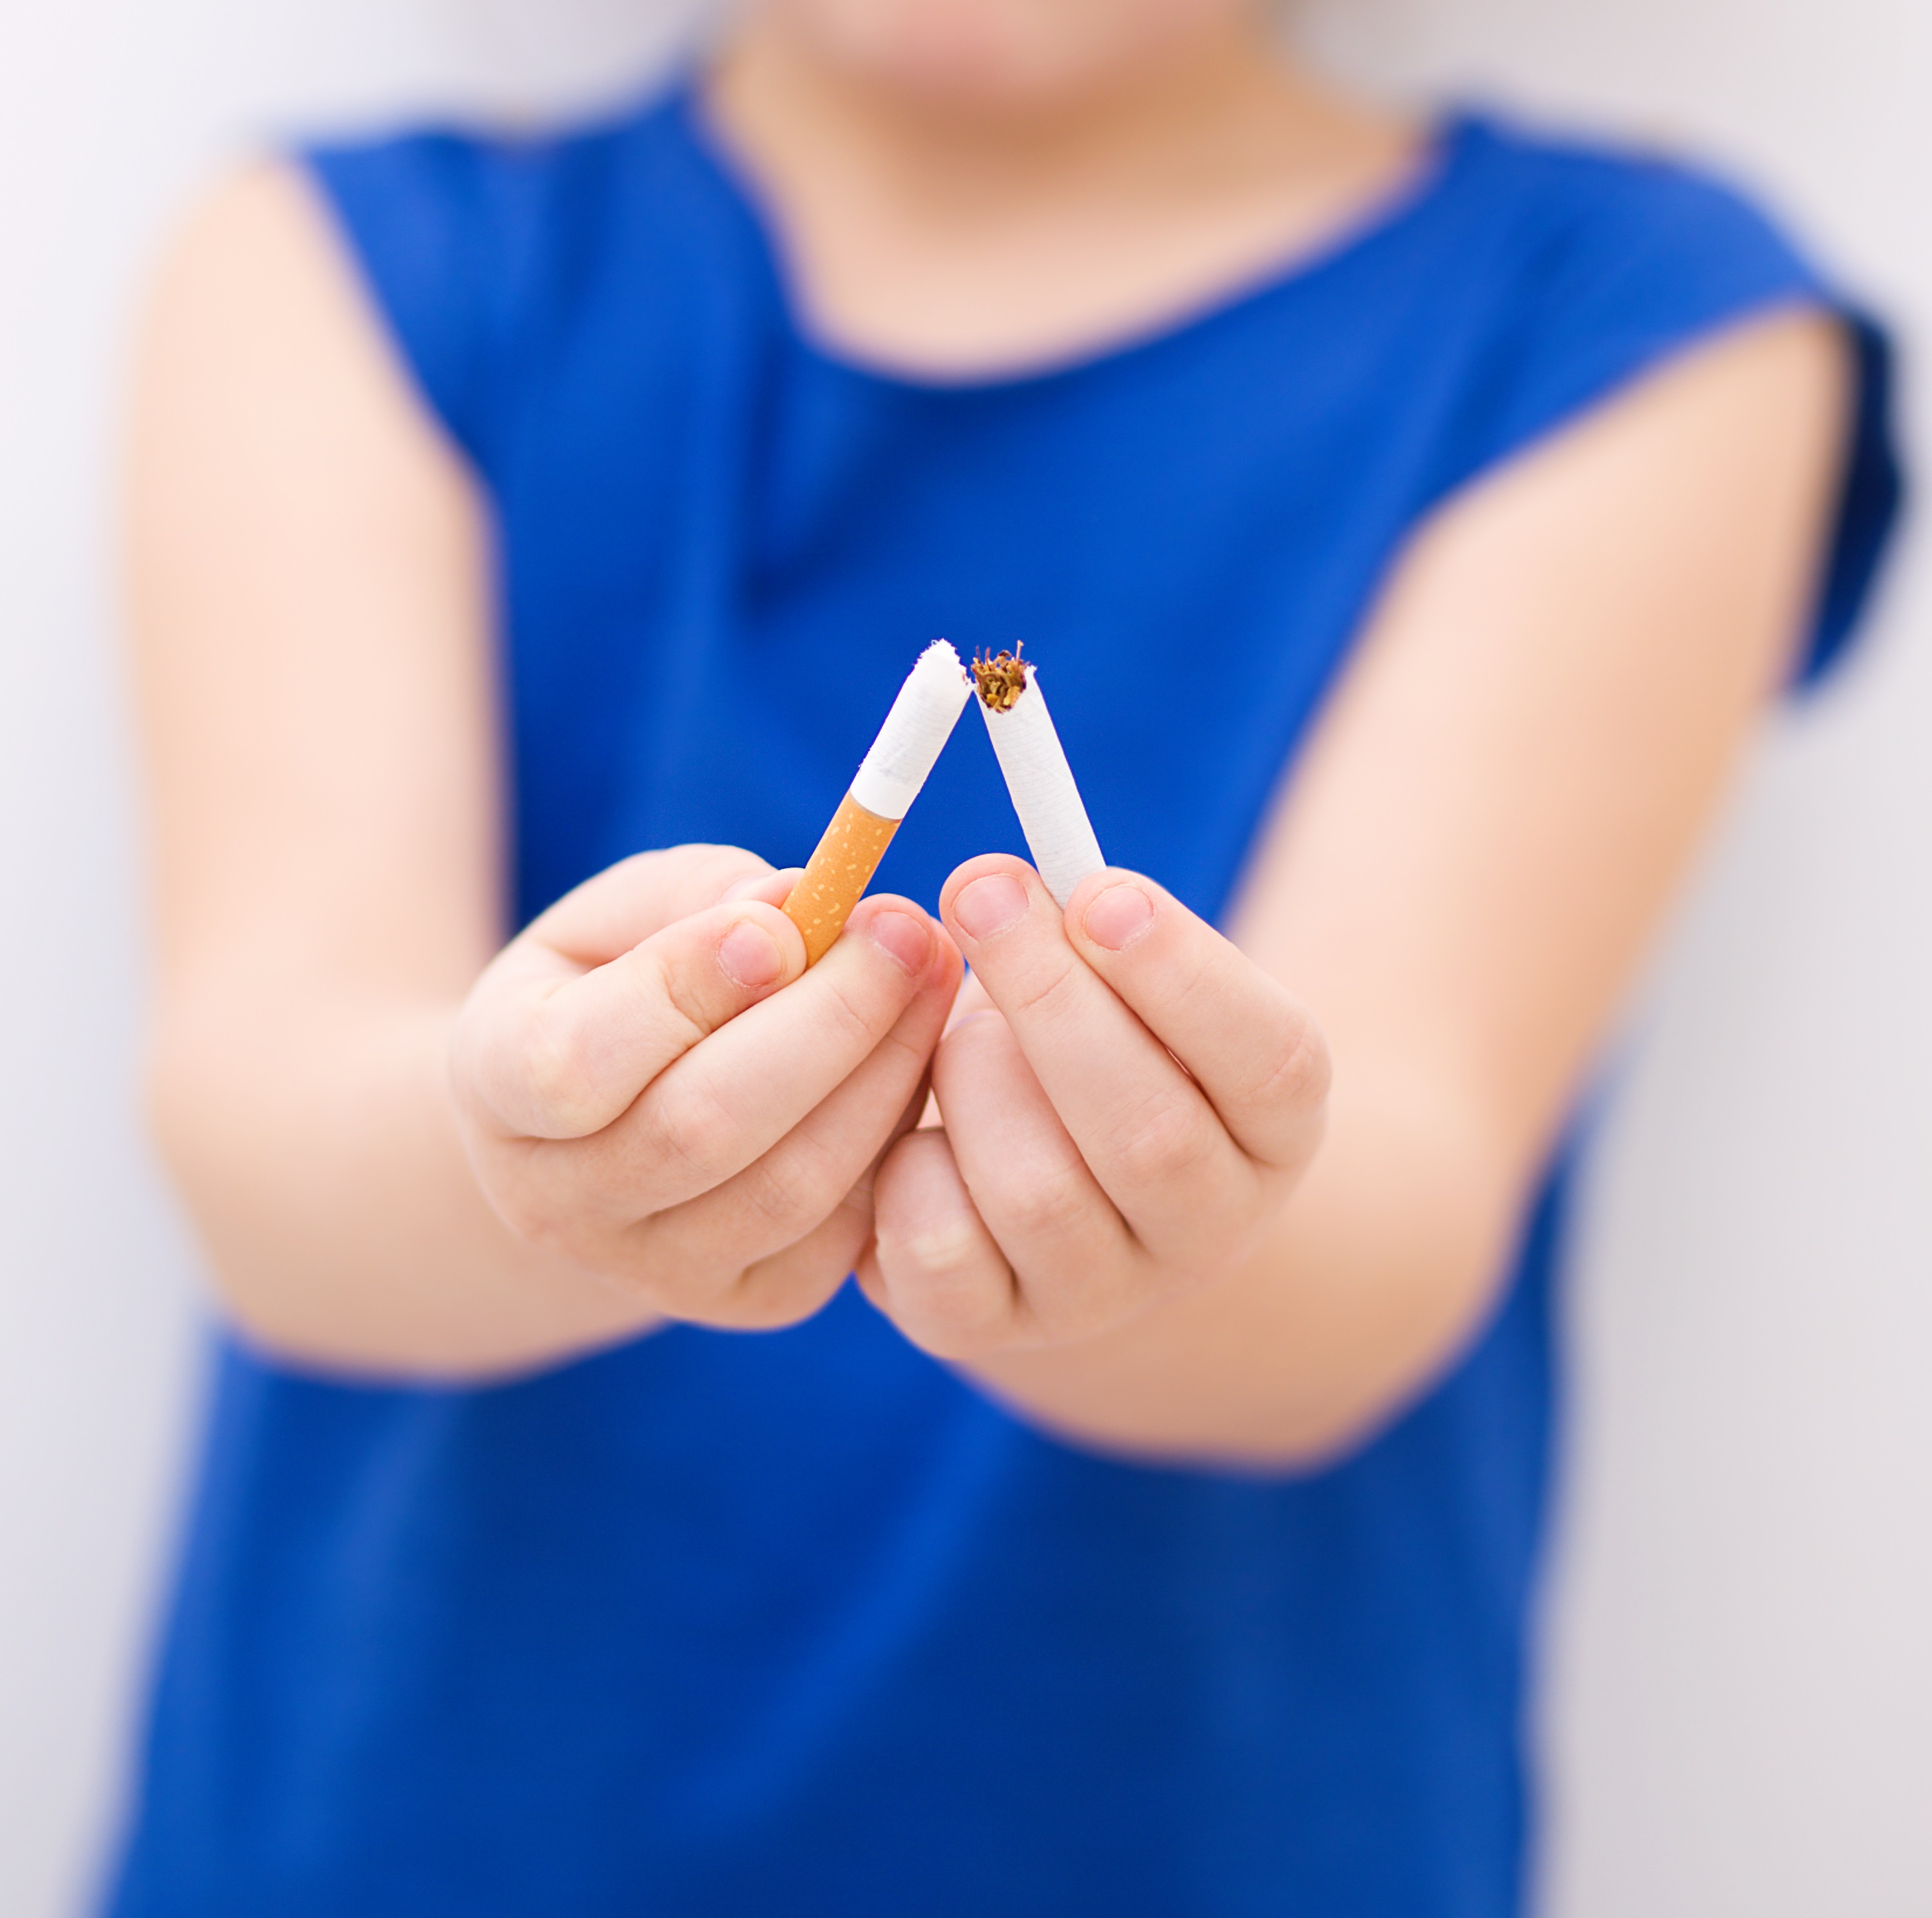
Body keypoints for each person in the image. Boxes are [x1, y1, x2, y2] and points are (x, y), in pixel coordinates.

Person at [108, 0, 1898, 1911]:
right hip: (403, 1836)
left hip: (1207, 1838)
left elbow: (1379, 1244)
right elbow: (265, 1141)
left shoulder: (1631, 318)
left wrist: (1179, 1214)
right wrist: (526, 1149)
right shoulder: (350, 266)